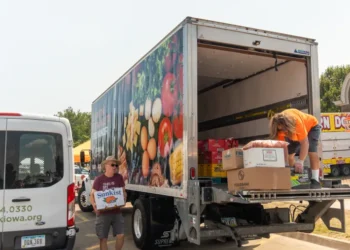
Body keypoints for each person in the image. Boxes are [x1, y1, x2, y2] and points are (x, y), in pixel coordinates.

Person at [269, 108, 322, 189]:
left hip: (311, 127)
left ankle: (315, 179)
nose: (282, 131)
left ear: (286, 125)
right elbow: (283, 147)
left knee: (312, 152)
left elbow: (305, 143)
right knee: (290, 156)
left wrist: (300, 161)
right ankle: (295, 179)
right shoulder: (279, 129)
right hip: (292, 130)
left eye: (283, 129)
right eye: (280, 130)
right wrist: (283, 165)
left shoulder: (296, 122)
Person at [90, 156, 127, 250]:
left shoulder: (119, 178)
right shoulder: (99, 180)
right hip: (103, 214)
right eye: (112, 165)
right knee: (103, 239)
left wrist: (124, 198)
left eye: (116, 165)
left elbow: (123, 191)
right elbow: (92, 195)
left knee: (121, 235)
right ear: (106, 166)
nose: (115, 167)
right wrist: (94, 205)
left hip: (116, 212)